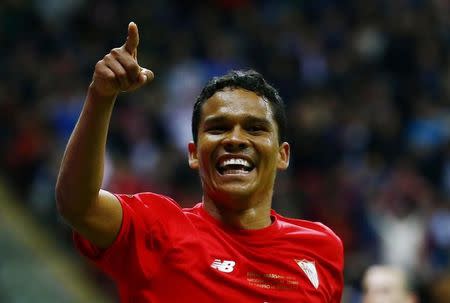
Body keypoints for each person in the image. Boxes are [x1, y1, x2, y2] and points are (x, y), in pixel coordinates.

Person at [56, 22, 344, 302]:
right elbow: (78, 205)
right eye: (218, 128)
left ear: (283, 155)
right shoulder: (157, 230)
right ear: (193, 153)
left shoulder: (322, 248)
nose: (235, 139)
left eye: (255, 128)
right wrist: (101, 96)